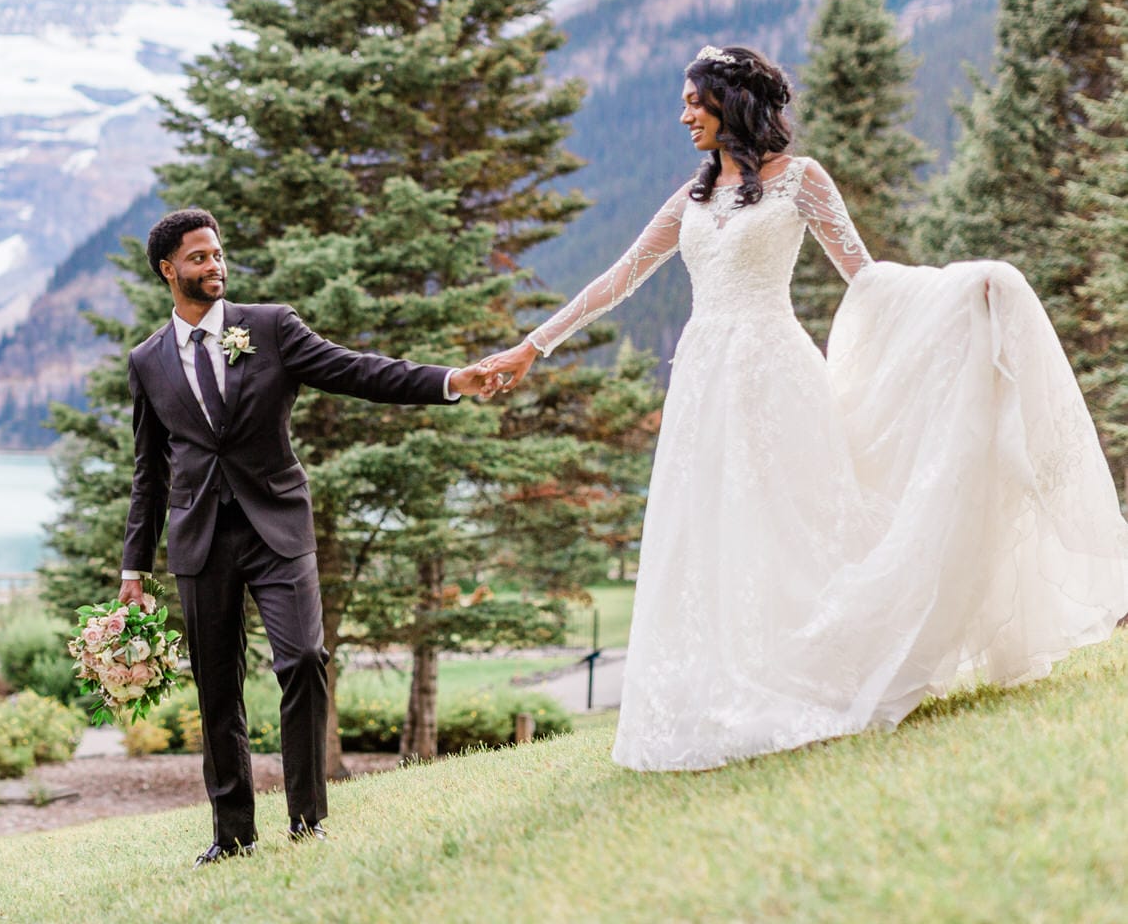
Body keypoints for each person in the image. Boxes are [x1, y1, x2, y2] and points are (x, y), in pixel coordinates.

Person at [480, 45, 1128, 772]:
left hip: (779, 375)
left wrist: (960, 290)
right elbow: (615, 281)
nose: (683, 115)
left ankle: (815, 677)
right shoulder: (689, 199)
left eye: (695, 101)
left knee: (795, 528)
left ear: (733, 103)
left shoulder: (802, 183)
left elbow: (866, 277)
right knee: (712, 533)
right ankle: (724, 694)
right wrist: (530, 347)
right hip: (703, 383)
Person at [119, 208, 489, 866]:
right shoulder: (147, 361)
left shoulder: (269, 327)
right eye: (199, 257)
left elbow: (358, 371)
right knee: (217, 686)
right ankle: (231, 834)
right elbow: (149, 472)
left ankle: (307, 819)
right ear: (168, 270)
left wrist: (448, 381)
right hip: (199, 540)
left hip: (277, 525)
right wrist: (133, 571)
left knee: (303, 659)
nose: (215, 265)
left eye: (218, 253)